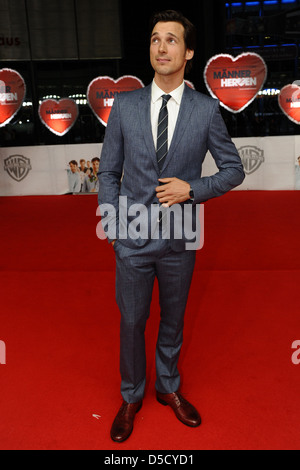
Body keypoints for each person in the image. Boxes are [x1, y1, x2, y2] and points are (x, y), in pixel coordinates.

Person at [98, 9, 245, 443]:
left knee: (173, 321)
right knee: (131, 321)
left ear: (189, 52)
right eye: (155, 39)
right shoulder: (124, 106)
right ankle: (131, 396)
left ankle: (168, 388)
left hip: (181, 237)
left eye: (172, 40)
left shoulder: (205, 109)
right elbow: (108, 174)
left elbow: (233, 169)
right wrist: (114, 229)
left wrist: (192, 189)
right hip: (132, 238)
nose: (161, 47)